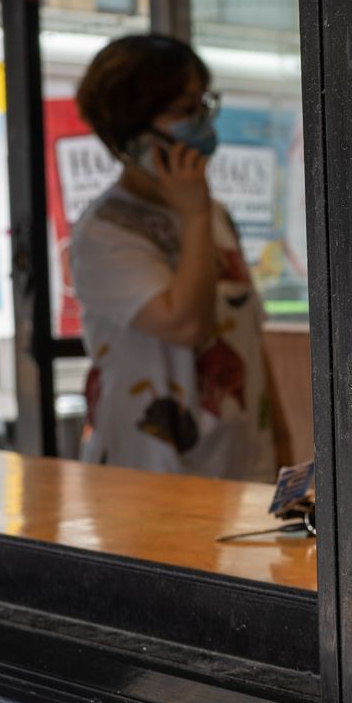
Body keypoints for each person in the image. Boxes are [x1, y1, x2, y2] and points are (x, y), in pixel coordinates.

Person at [70, 34, 280, 480]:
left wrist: (281, 440)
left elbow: (248, 341)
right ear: (134, 132)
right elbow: (186, 324)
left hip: (241, 462)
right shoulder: (105, 232)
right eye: (184, 110)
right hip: (149, 475)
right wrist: (194, 213)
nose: (200, 122)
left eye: (202, 105)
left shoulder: (213, 213)